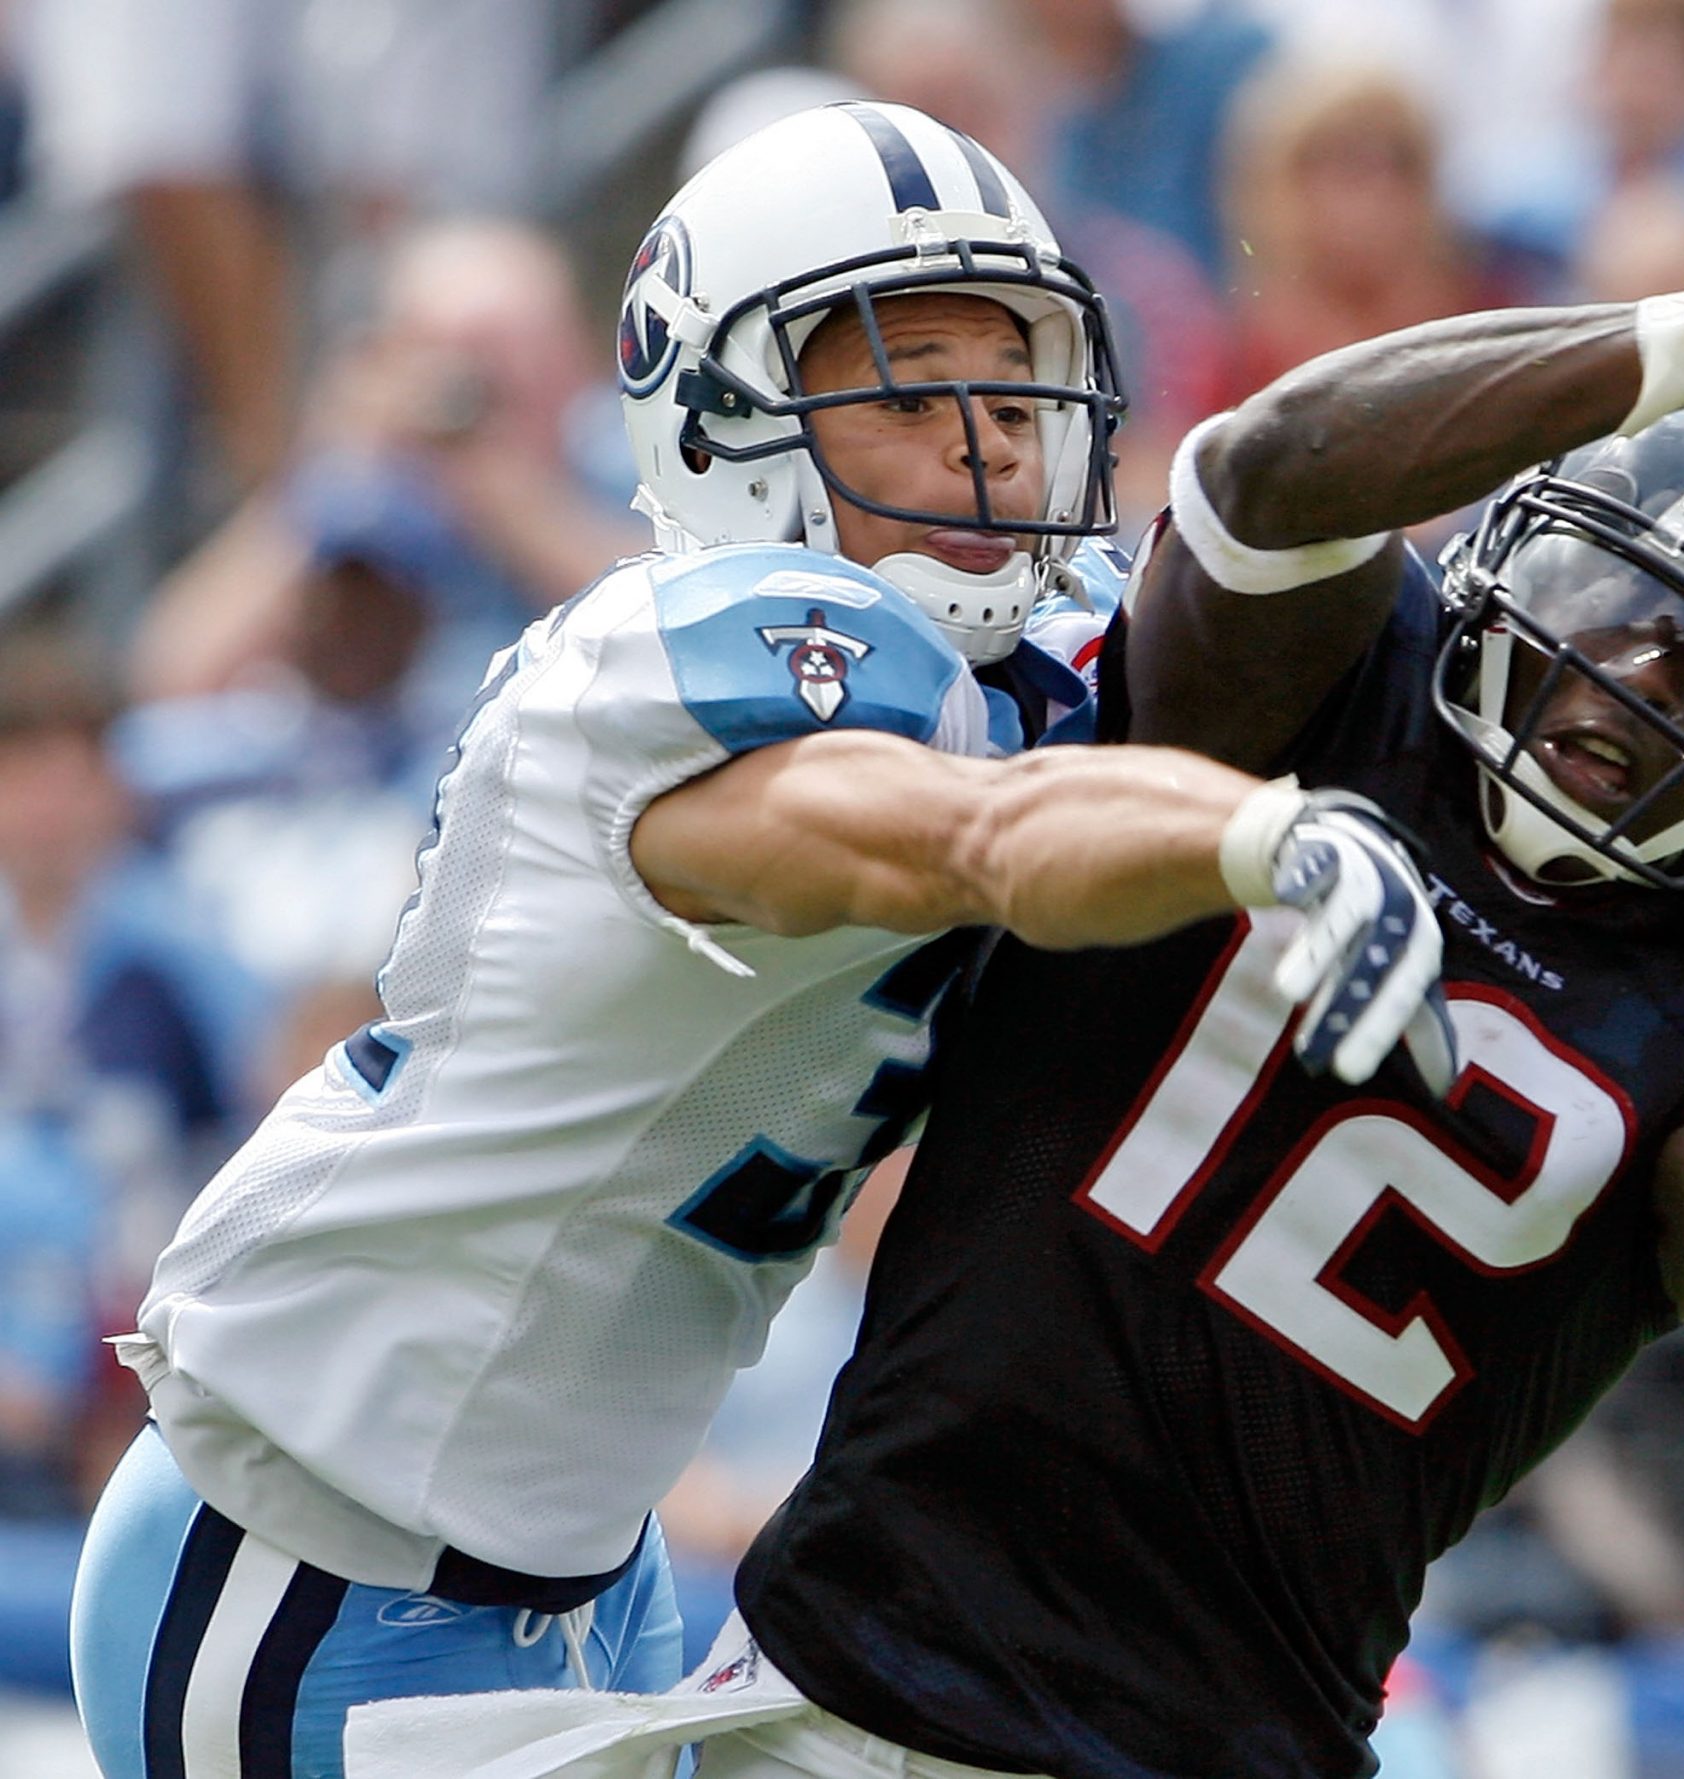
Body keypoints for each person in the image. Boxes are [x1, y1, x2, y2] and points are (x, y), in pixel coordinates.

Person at [348, 187, 1684, 1779]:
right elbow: (1272, 475)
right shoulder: (1333, 686)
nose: (1641, 696)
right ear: (1516, 557)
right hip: (852, 1677)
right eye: (1625, 615)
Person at [67, 102, 1456, 1779]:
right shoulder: (680, 665)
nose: (986, 443)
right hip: (315, 1556)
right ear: (725, 418)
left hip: (587, 1555)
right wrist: (1260, 833)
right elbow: (975, 838)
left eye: (1018, 392)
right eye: (909, 381)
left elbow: (1286, 490)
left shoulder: (1002, 677)